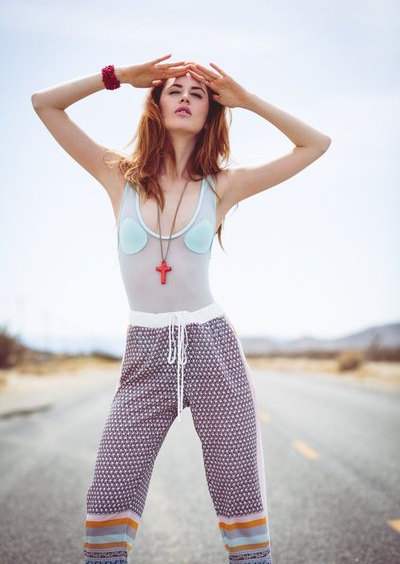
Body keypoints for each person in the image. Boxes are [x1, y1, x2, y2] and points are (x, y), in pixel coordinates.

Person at [31, 54, 331, 564]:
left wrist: (245, 99)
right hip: (145, 351)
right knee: (108, 502)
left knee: (240, 504)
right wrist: (119, 77)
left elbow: (315, 144)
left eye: (198, 93)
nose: (186, 97)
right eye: (174, 90)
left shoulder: (223, 185)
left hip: (213, 348)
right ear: (156, 103)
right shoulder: (119, 176)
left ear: (211, 111)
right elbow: (45, 104)